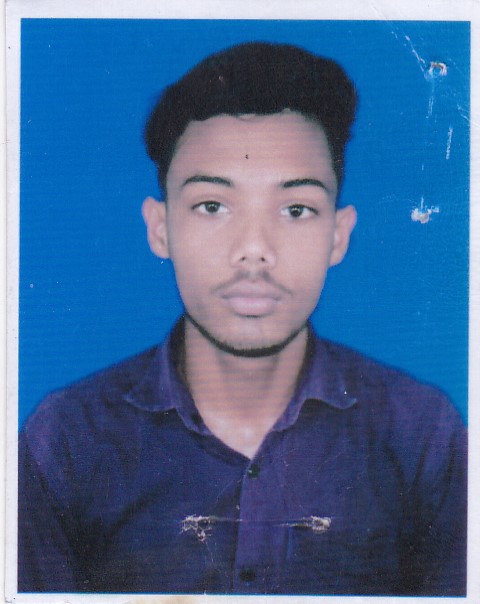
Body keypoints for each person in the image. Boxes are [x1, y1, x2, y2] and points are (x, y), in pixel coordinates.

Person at [18, 41, 467, 596]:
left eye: (296, 209)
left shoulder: (422, 436)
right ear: (160, 228)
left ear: (338, 235)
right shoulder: (66, 442)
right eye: (212, 206)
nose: (254, 250)